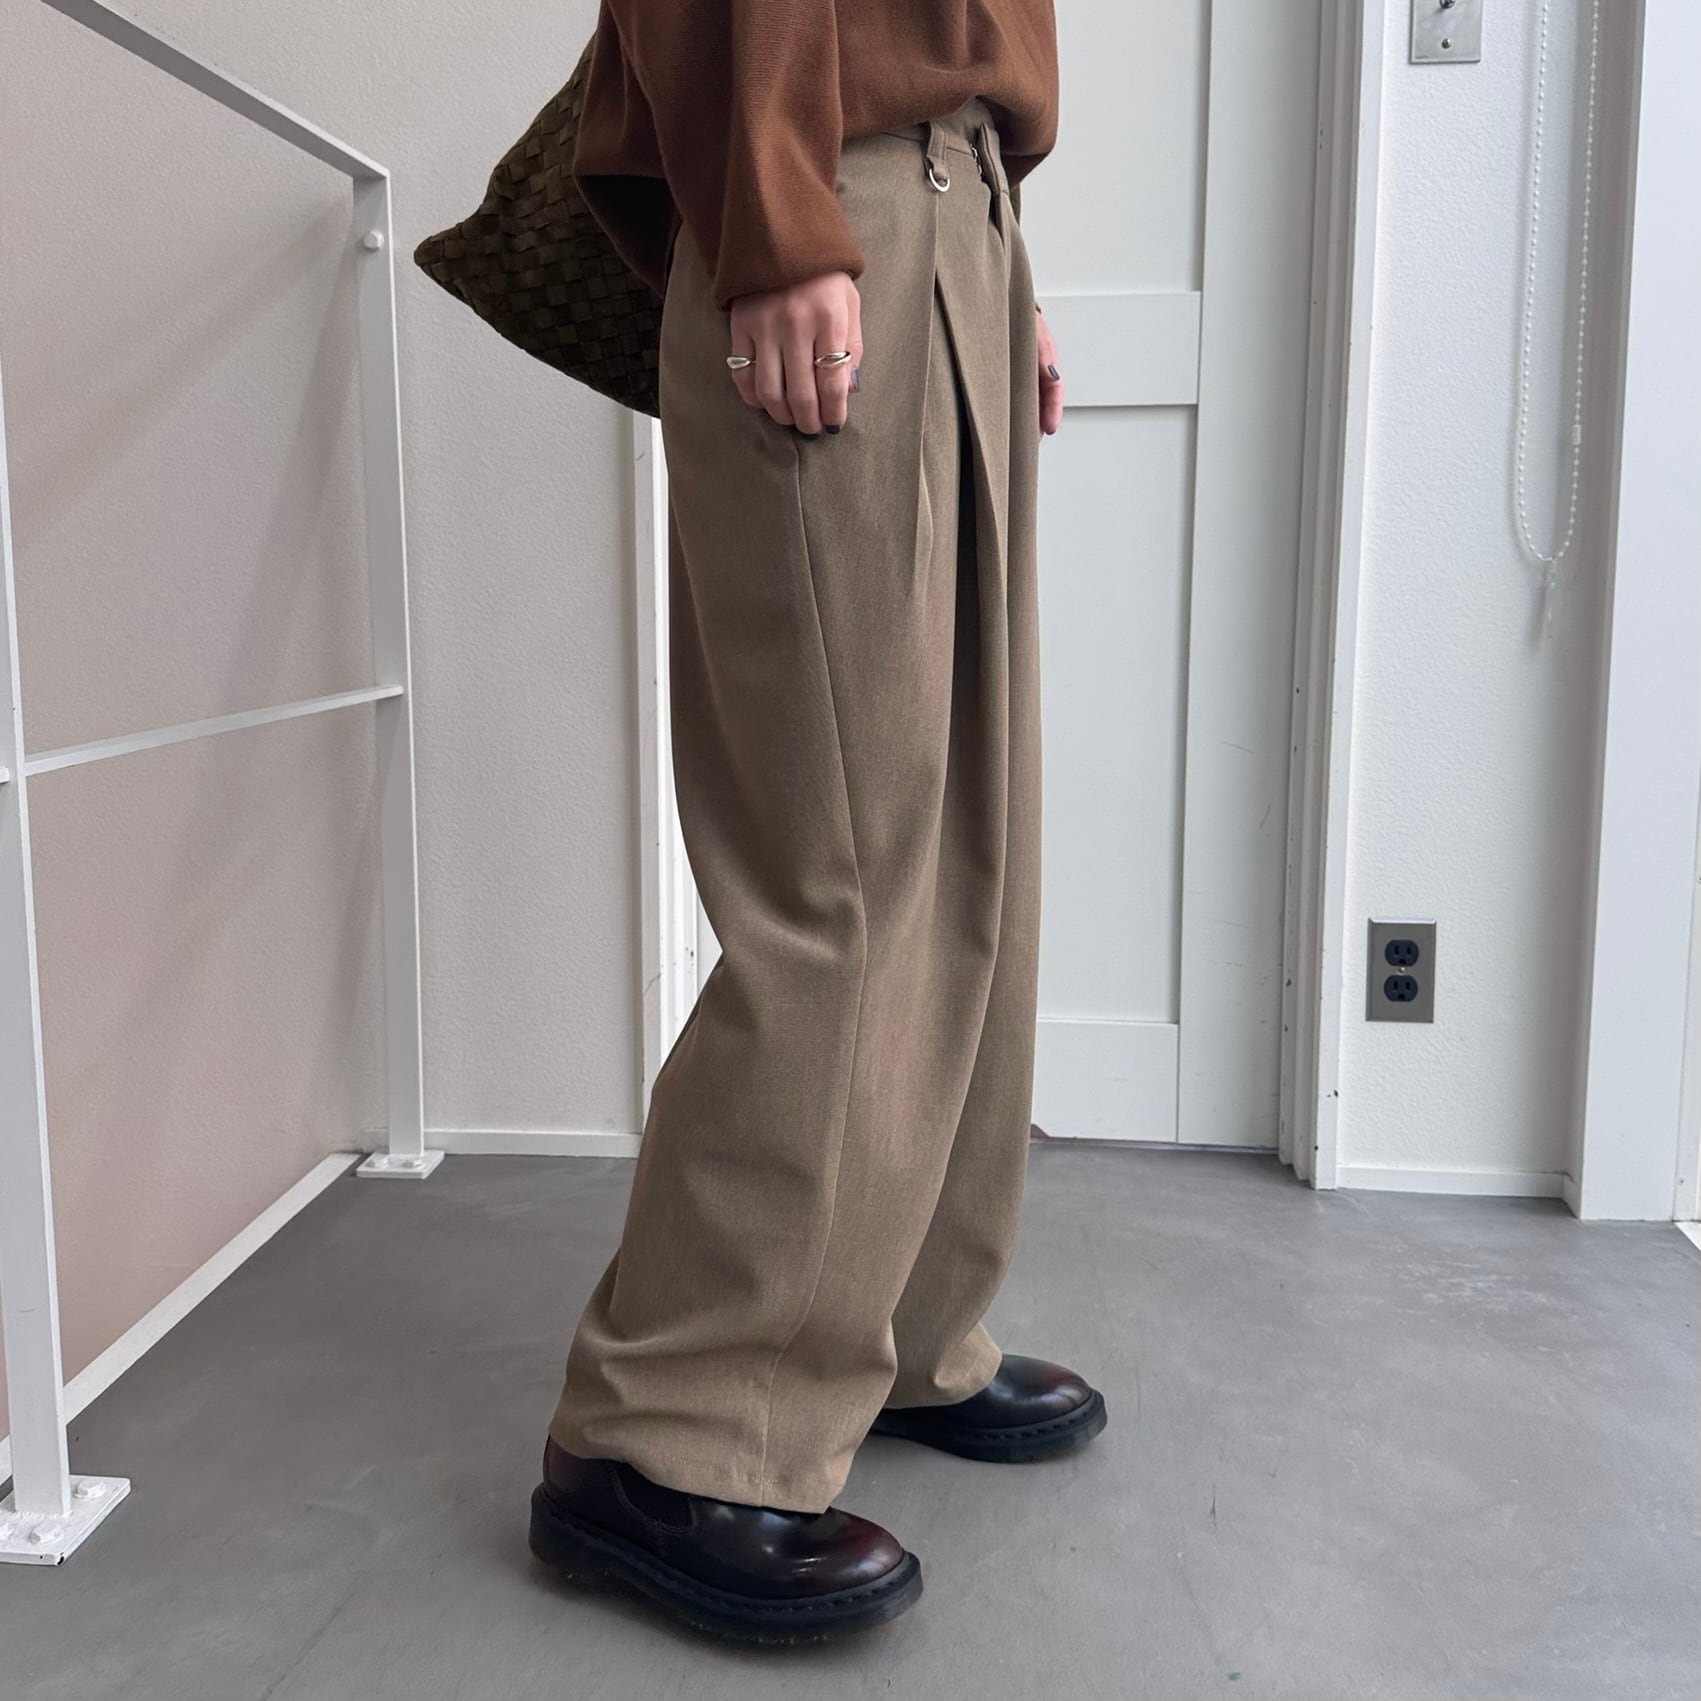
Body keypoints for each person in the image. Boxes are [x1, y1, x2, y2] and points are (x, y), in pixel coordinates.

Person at [527, 0, 1104, 1644]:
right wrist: (776, 218)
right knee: (837, 861)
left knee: (972, 832)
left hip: (949, 203)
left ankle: (899, 1330)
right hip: (823, 187)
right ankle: (666, 1431)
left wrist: (994, 253)